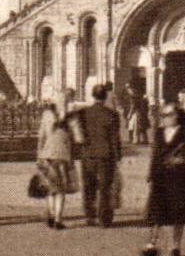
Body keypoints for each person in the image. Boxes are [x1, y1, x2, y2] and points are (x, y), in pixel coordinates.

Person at [143, 103, 185, 256]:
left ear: (176, 116)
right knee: (156, 209)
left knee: (179, 212)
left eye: (168, 115)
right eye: (163, 116)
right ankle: (152, 243)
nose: (165, 119)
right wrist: (151, 172)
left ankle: (175, 245)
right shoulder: (158, 133)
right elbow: (155, 154)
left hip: (181, 177)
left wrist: (183, 159)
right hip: (161, 175)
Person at [78, 83, 123, 228]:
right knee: (105, 187)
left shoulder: (84, 113)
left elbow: (79, 134)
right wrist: (118, 155)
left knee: (88, 185)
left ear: (93, 96)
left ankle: (90, 216)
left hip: (88, 154)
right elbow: (115, 137)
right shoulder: (112, 115)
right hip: (106, 155)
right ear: (105, 97)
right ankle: (104, 218)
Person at [36, 96, 80, 229]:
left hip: (47, 154)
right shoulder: (72, 117)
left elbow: (41, 136)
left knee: (51, 187)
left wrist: (39, 154)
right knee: (61, 189)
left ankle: (51, 214)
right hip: (63, 155)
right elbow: (78, 138)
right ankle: (58, 220)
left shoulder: (46, 115)